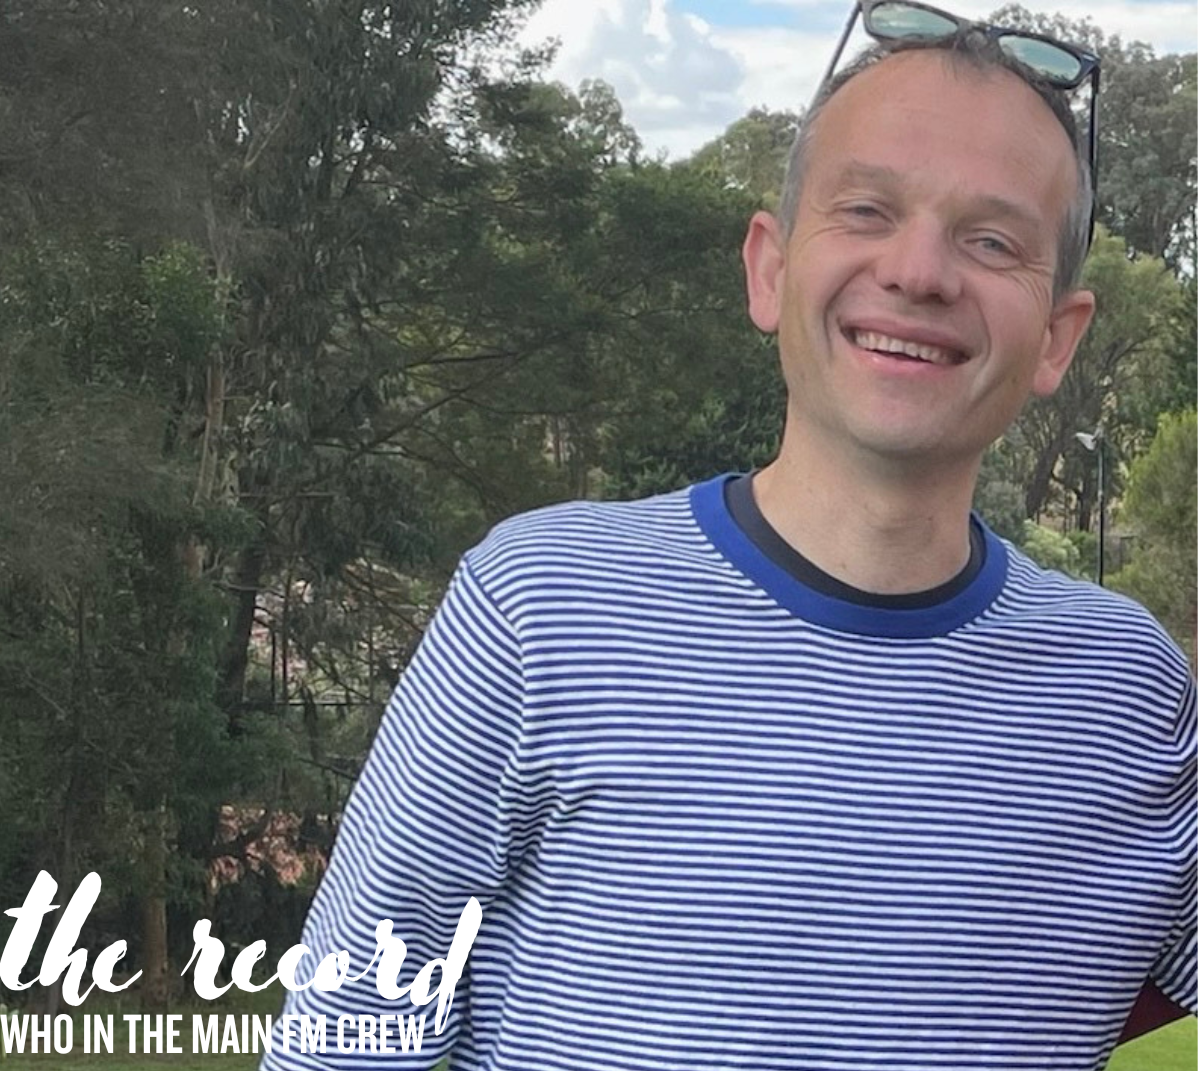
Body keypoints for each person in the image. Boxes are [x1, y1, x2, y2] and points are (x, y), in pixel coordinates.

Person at [260, 4, 1195, 1067]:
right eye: (867, 209)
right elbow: (348, 1030)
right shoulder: (541, 605)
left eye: (992, 241)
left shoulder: (1131, 695)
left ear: (1059, 338)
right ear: (769, 269)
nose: (920, 271)